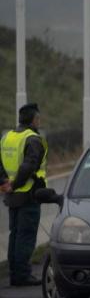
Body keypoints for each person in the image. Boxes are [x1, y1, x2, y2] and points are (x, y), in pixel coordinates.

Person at [0, 103, 48, 286]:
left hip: (12, 197)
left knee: (15, 235)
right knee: (26, 236)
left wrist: (4, 182)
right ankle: (22, 275)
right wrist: (14, 184)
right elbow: (29, 166)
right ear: (34, 119)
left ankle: (14, 273)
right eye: (38, 118)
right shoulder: (33, 139)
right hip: (28, 195)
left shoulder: (7, 137)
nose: (39, 121)